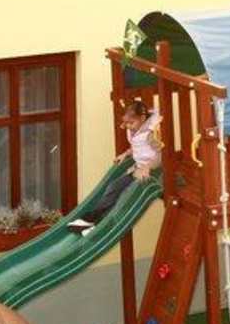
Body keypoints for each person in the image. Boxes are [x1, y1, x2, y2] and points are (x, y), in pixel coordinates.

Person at [68, 99, 162, 234]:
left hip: (152, 173)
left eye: (131, 123)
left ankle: (101, 226)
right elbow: (139, 147)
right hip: (137, 170)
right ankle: (91, 219)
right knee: (113, 187)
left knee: (125, 196)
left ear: (142, 119)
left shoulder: (150, 134)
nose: (129, 126)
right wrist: (125, 154)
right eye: (127, 123)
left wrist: (148, 167)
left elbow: (160, 156)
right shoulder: (136, 130)